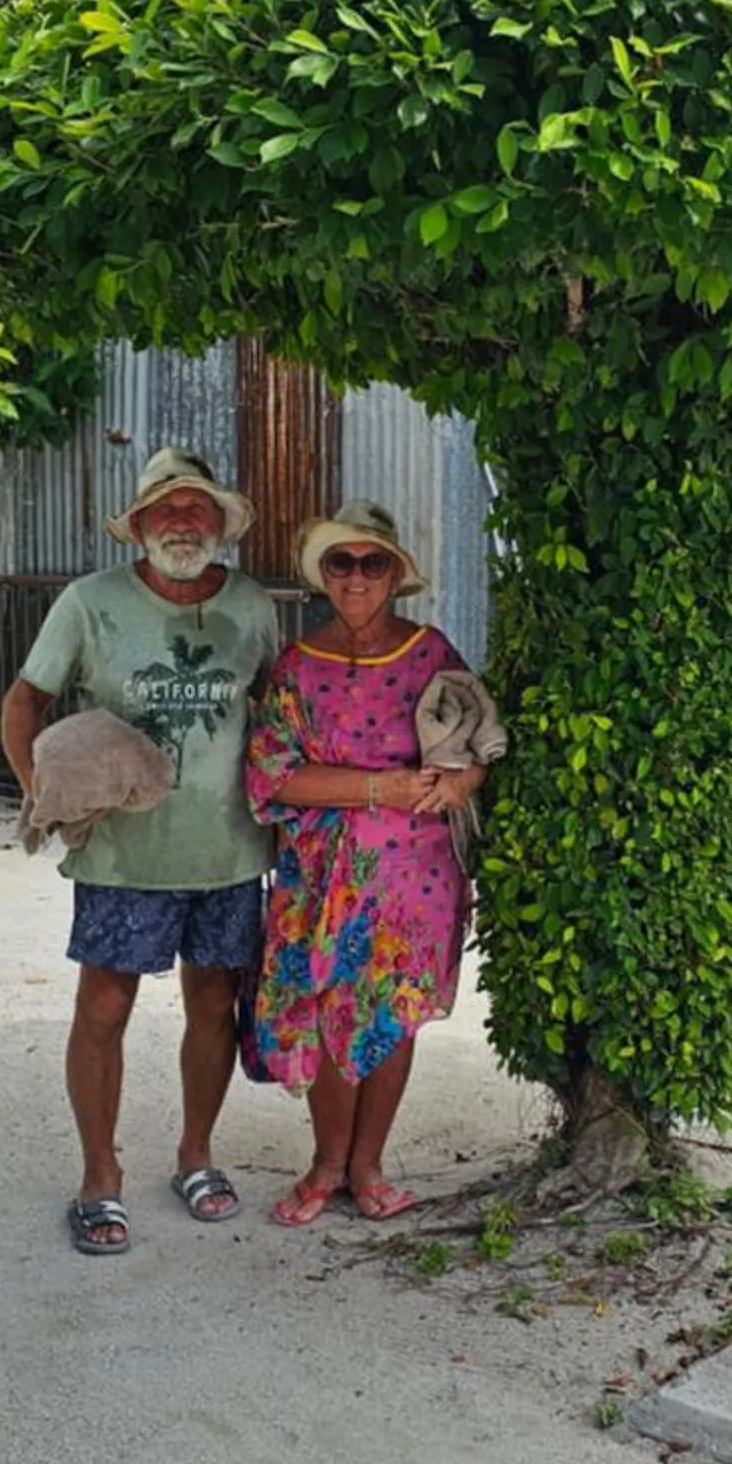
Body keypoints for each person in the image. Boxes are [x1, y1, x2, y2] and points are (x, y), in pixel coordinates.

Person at [1, 447, 279, 1256]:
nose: (182, 521)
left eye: (197, 507)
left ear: (220, 523)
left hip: (228, 851)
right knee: (104, 1009)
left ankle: (196, 1155)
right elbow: (24, 700)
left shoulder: (252, 604)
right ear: (140, 523)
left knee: (214, 1004)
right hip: (123, 857)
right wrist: (42, 794)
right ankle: (100, 1176)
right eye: (166, 507)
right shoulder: (90, 603)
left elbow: (275, 708)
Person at [244, 500, 490, 1226]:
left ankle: (368, 1166)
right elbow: (272, 776)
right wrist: (379, 789)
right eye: (341, 563)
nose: (356, 577)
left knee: (393, 1012)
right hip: (320, 879)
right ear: (323, 575)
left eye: (372, 562)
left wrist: (460, 783)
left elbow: (476, 740)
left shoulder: (431, 652)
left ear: (394, 574)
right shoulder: (297, 666)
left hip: (416, 876)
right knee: (328, 1011)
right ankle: (327, 1164)